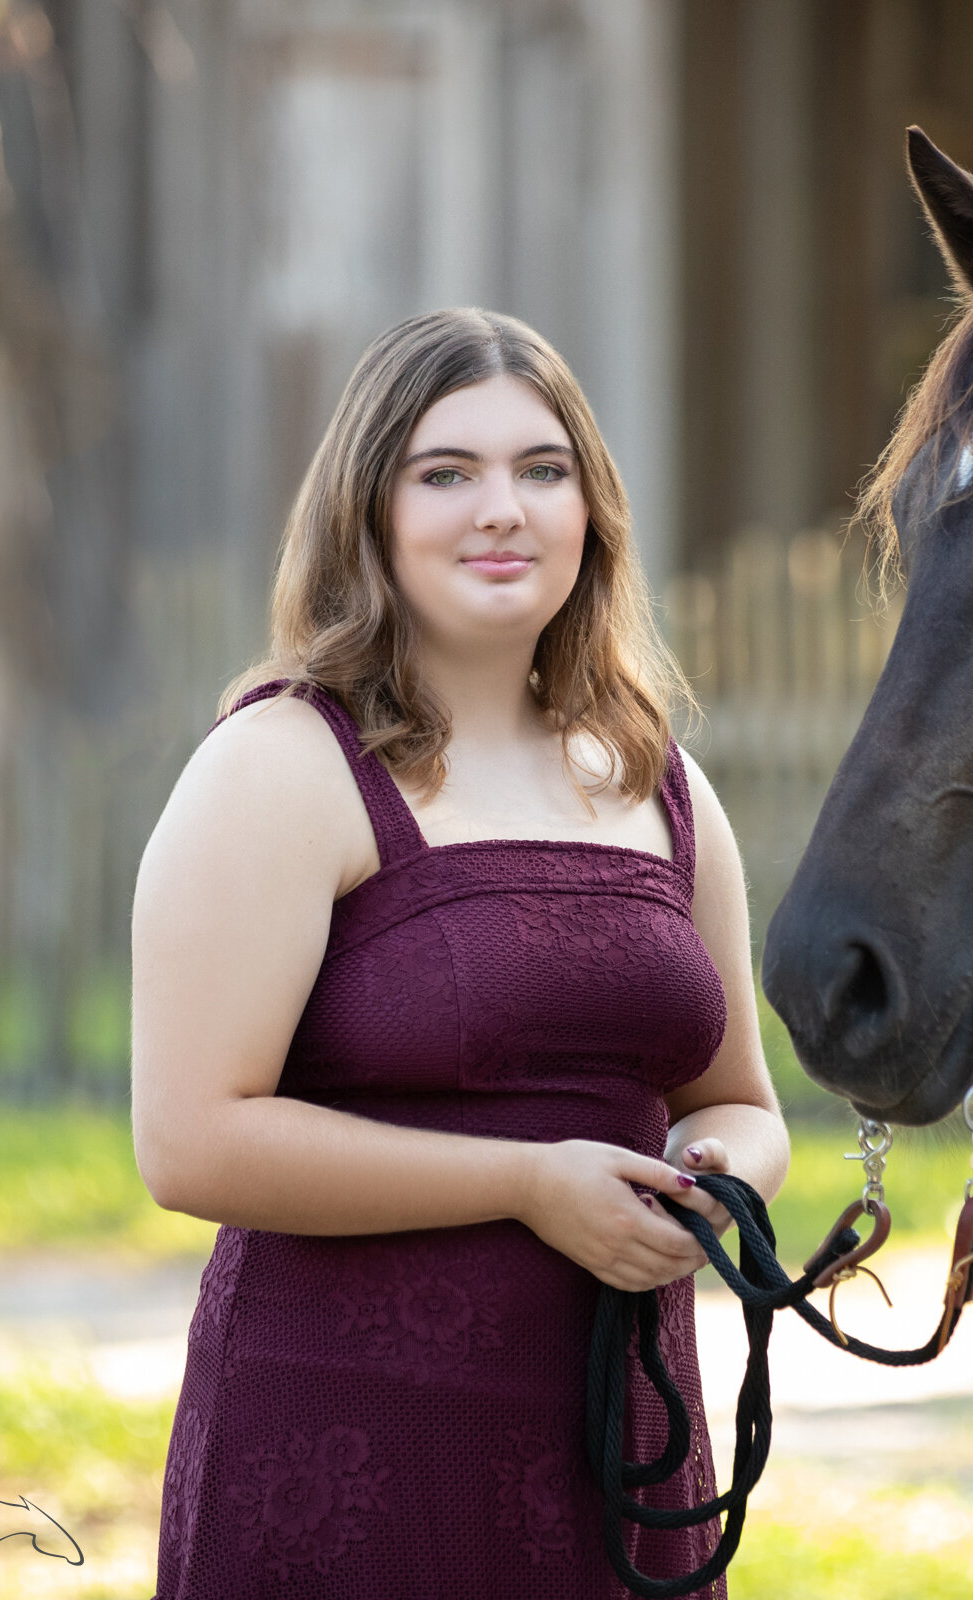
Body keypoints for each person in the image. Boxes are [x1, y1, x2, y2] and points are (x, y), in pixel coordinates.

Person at [131, 306, 785, 1598]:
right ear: (369, 513)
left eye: (544, 470)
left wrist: (712, 1181)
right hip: (350, 1447)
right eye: (448, 473)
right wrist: (531, 1185)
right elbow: (189, 1140)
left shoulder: (660, 784)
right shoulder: (280, 768)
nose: (504, 509)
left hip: (621, 1442)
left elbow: (739, 1103)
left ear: (591, 512)